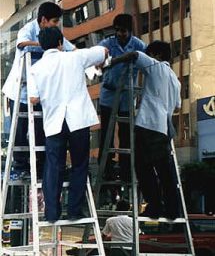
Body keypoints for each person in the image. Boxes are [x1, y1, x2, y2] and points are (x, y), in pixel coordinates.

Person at [28, 27, 108, 222]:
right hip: (78, 119)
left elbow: (33, 98)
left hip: (54, 122)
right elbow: (103, 52)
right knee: (80, 164)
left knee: (53, 166)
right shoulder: (75, 57)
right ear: (60, 43)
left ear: (42, 45)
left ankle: (52, 213)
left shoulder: (35, 68)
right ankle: (74, 211)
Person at [2, 2, 75, 178]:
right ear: (43, 20)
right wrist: (45, 44)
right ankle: (20, 166)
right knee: (20, 129)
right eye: (54, 21)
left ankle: (43, 166)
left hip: (40, 92)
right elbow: (21, 44)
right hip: (20, 89)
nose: (56, 25)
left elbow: (72, 49)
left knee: (42, 129)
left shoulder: (55, 34)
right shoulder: (27, 29)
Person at [110, 41, 181, 219]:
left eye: (150, 54)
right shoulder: (175, 79)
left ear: (156, 55)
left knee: (142, 167)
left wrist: (113, 61)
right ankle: (173, 209)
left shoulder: (155, 66)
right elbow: (178, 107)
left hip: (149, 124)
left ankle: (155, 206)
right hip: (164, 128)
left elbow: (135, 55)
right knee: (164, 170)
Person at [98, 13, 147, 182]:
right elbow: (99, 63)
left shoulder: (139, 45)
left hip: (127, 96)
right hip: (109, 94)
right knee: (107, 134)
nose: (120, 34)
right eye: (117, 30)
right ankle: (106, 169)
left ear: (130, 31)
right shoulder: (107, 44)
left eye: (123, 31)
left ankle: (126, 170)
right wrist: (121, 59)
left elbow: (147, 66)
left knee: (126, 135)